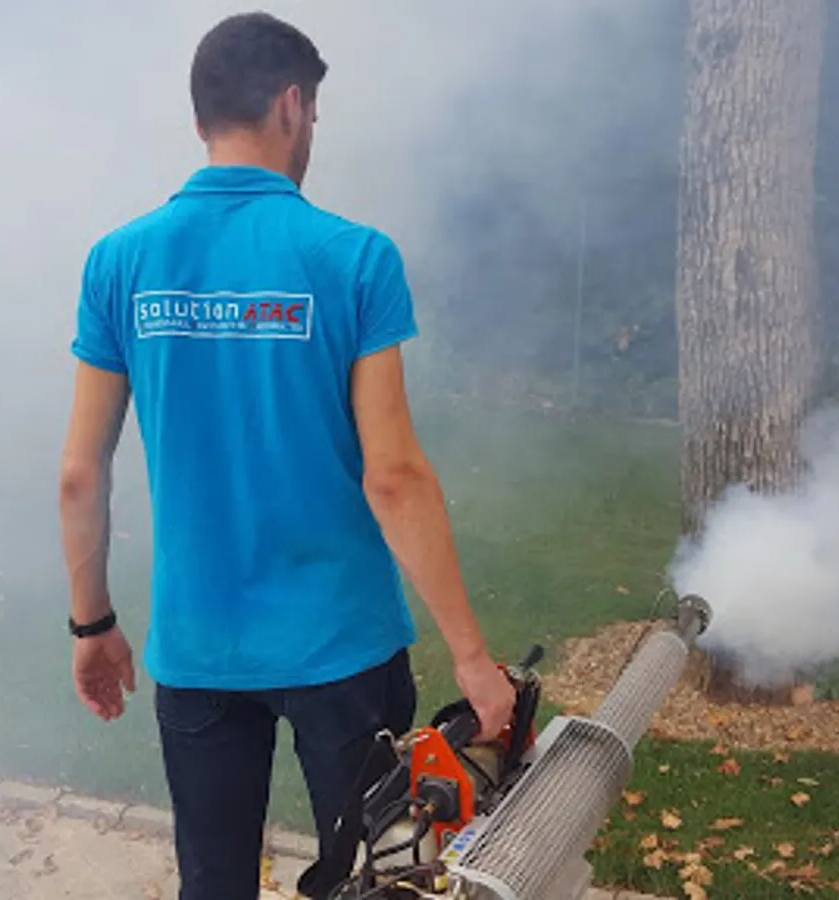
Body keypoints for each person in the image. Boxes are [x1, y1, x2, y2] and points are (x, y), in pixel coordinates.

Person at [57, 11, 516, 899]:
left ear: (201, 117)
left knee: (214, 883)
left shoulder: (118, 262)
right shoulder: (353, 259)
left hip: (197, 647)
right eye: (314, 116)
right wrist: (471, 657)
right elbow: (393, 475)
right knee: (379, 882)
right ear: (292, 105)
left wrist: (92, 625)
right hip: (341, 646)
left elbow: (81, 473)